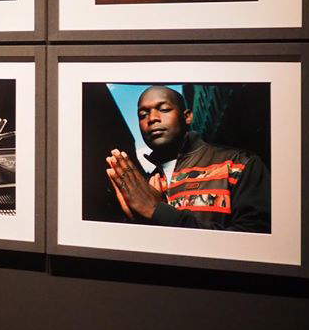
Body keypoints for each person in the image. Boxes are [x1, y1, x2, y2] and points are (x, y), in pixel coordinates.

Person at [105, 85, 271, 233]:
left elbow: (256, 240)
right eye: (143, 114)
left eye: (163, 109)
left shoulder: (239, 164)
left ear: (187, 116)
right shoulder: (145, 184)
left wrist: (157, 211)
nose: (152, 118)